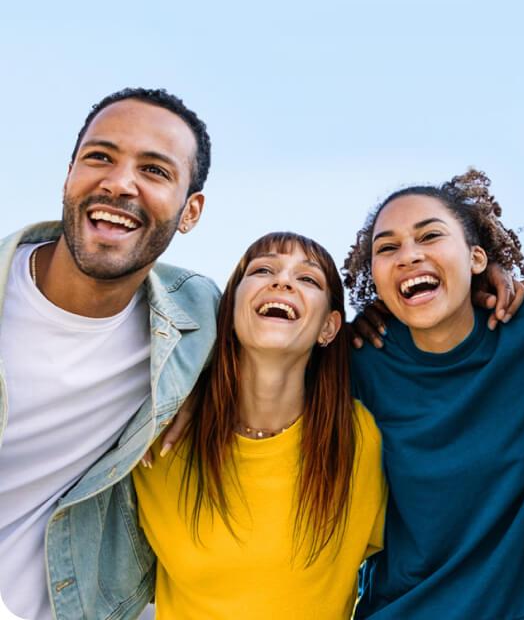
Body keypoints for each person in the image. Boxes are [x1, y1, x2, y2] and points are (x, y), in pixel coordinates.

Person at [0, 88, 217, 620]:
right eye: (100, 157)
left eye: (155, 171)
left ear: (190, 212)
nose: (119, 183)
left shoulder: (200, 320)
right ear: (68, 175)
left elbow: (305, 343)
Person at [343, 169, 524, 620]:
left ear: (477, 258)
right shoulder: (359, 360)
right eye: (387, 248)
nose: (408, 256)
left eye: (430, 236)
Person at [131, 232, 386, 618]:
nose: (282, 281)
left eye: (308, 279)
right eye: (263, 269)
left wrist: (489, 281)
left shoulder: (362, 439)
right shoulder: (158, 432)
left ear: (329, 328)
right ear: (230, 309)